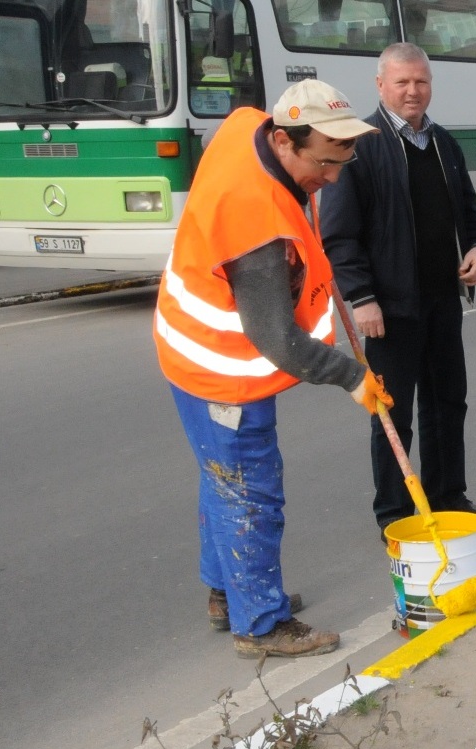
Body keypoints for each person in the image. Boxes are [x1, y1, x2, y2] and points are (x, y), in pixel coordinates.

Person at [153, 80, 392, 658]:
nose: (332, 179)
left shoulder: (247, 126)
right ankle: (260, 623)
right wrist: (353, 376)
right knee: (249, 491)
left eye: (342, 163)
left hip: (184, 343)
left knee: (221, 481)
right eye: (325, 164)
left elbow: (246, 136)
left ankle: (226, 594)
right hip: (222, 370)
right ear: (284, 141)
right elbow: (280, 342)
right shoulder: (255, 222)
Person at [321, 43, 476, 537]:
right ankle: (396, 514)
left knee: (448, 402)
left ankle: (448, 498)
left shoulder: (444, 144)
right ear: (380, 86)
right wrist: (361, 297)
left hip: (442, 298)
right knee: (393, 415)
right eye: (402, 82)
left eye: (421, 81)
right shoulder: (360, 148)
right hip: (389, 307)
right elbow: (338, 234)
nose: (413, 91)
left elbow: (470, 214)